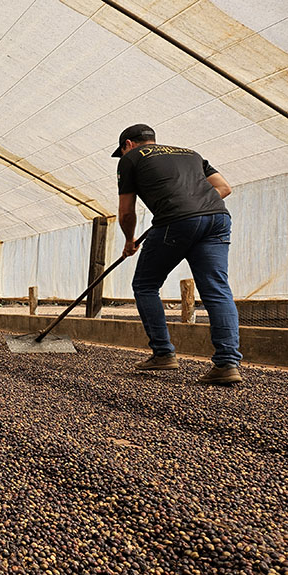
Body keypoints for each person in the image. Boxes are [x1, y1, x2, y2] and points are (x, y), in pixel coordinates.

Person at [113, 124, 242, 385]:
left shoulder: (131, 158)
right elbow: (224, 188)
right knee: (217, 289)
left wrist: (129, 241)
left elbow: (126, 211)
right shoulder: (190, 154)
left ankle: (163, 353)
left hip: (175, 222)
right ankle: (227, 363)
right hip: (217, 219)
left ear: (128, 144)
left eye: (123, 149)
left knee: (145, 285)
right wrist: (196, 204)